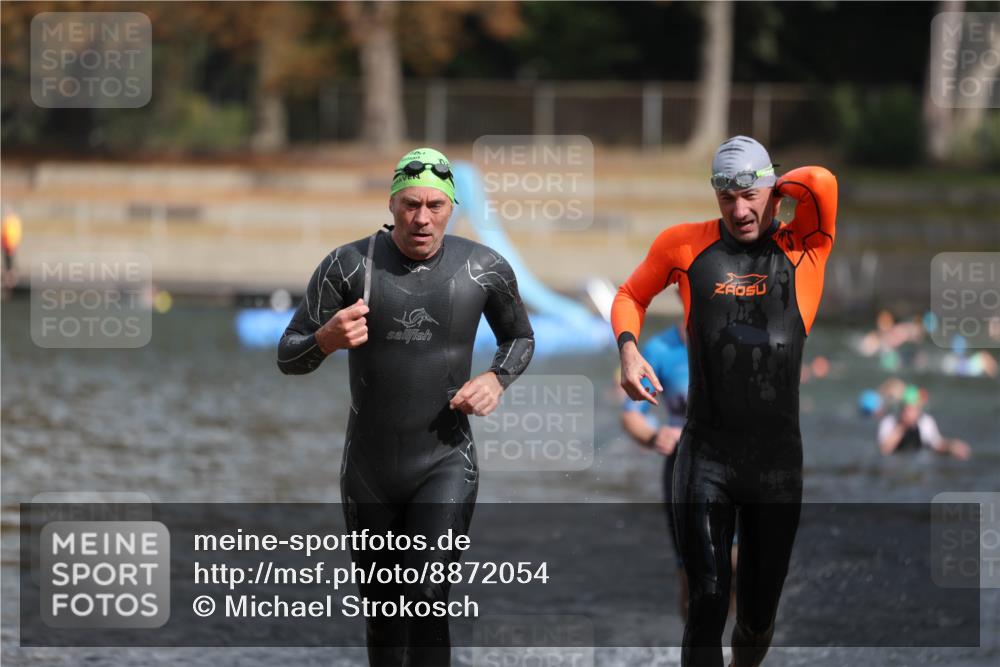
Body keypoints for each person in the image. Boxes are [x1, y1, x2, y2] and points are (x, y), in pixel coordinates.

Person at [277, 147, 534, 666]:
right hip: (369, 470)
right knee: (384, 613)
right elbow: (289, 356)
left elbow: (520, 339)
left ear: (452, 207)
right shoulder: (348, 265)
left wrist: (495, 377)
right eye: (411, 204)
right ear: (393, 203)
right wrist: (326, 338)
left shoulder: (484, 268)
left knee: (427, 599)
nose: (422, 218)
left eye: (435, 206)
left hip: (445, 463)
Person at [612, 135, 838, 667]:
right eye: (725, 197)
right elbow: (629, 295)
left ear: (771, 194)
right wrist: (628, 351)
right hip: (705, 457)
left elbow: (822, 182)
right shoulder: (685, 246)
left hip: (777, 467)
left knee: (757, 618)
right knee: (708, 603)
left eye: (749, 196)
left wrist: (771, 185)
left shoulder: (806, 249)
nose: (738, 210)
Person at [619, 325, 690, 618]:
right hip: (682, 467)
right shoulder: (660, 349)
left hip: (739, 462)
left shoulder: (741, 333)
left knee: (738, 569)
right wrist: (653, 437)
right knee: (695, 576)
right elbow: (632, 411)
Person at [878, 384, 971, 460]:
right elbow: (885, 450)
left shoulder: (926, 422)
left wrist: (952, 447)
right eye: (905, 408)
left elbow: (937, 444)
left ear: (919, 409)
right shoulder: (889, 422)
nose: (908, 412)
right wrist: (902, 426)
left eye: (912, 409)